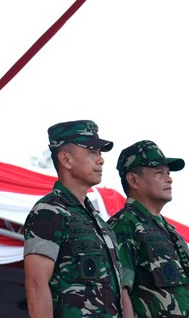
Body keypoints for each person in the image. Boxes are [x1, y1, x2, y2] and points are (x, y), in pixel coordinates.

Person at [23, 120, 124, 317]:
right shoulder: (50, 211)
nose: (101, 160)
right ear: (66, 160)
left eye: (100, 152)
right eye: (92, 151)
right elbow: (36, 285)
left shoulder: (100, 223)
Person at [108, 140, 189, 317]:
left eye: (168, 173)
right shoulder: (124, 225)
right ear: (133, 180)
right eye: (159, 173)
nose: (169, 178)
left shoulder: (169, 230)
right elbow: (120, 292)